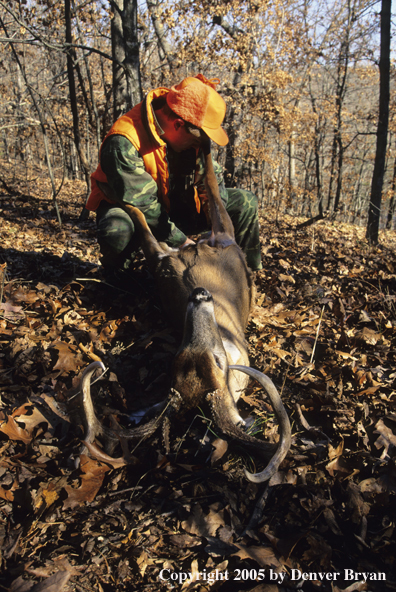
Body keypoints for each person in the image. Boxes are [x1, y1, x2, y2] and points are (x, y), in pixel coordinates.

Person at [85, 74, 262, 283]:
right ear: (178, 124)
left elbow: (212, 182)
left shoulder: (192, 135)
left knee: (245, 202)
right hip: (134, 211)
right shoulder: (124, 141)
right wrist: (185, 244)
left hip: (176, 207)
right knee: (117, 229)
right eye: (198, 139)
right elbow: (144, 206)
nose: (200, 145)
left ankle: (245, 278)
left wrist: (218, 228)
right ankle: (120, 284)